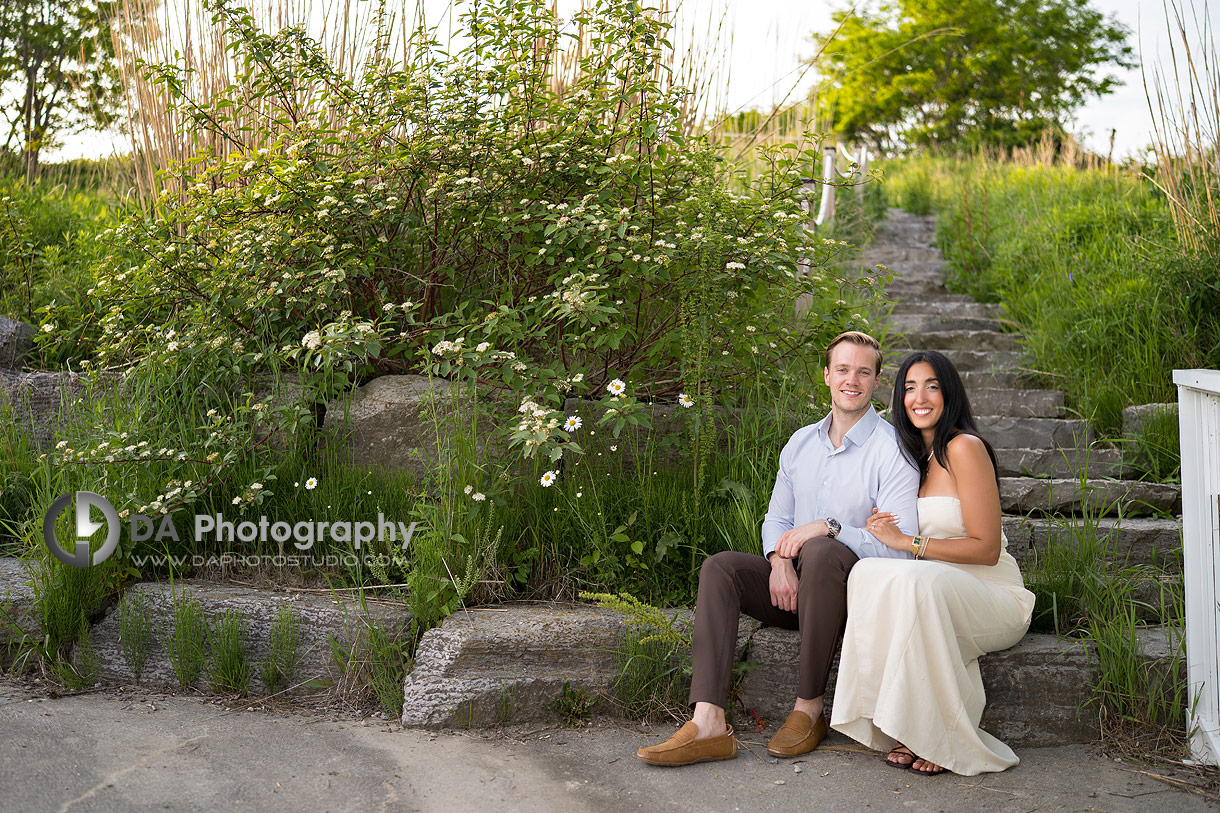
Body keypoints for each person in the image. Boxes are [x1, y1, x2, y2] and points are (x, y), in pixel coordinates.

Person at [636, 331, 920, 766]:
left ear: (877, 382)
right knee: (720, 569)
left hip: (851, 600)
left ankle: (809, 709)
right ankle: (709, 721)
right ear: (826, 375)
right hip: (793, 591)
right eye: (842, 369)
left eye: (864, 371)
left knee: (824, 551)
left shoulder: (893, 449)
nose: (852, 379)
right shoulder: (801, 443)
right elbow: (777, 520)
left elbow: (900, 551)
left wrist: (830, 527)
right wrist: (778, 562)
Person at [830, 349, 1036, 776]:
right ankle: (900, 721)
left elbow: (986, 549)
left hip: (991, 595)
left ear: (949, 393)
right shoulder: (908, 458)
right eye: (908, 387)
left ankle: (936, 732)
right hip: (935, 590)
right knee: (868, 572)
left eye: (931, 386)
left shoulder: (965, 448)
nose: (918, 397)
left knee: (921, 583)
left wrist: (908, 541)